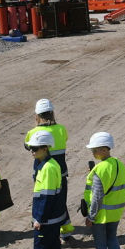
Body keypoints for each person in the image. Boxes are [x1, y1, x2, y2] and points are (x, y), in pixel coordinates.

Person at [24, 98, 75, 240]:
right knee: (60, 200)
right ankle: (66, 229)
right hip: (61, 172)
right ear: (52, 113)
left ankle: (46, 224)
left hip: (42, 173)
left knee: (44, 199)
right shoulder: (61, 129)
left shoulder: (33, 132)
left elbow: (27, 145)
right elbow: (64, 139)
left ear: (37, 115)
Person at [82, 132, 125, 249]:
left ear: (103, 149)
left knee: (101, 244)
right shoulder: (118, 164)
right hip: (115, 212)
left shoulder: (99, 170)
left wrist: (91, 217)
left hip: (101, 215)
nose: (93, 153)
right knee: (112, 239)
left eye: (95, 149)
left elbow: (97, 197)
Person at [28, 129, 70, 249]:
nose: (32, 151)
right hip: (52, 218)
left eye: (35, 148)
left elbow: (47, 197)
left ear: (45, 148)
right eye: (31, 148)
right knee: (53, 248)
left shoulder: (48, 168)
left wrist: (39, 219)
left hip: (47, 219)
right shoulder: (46, 164)